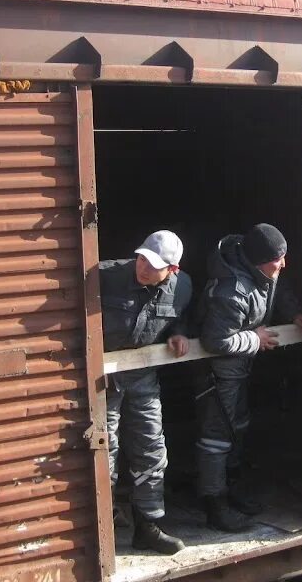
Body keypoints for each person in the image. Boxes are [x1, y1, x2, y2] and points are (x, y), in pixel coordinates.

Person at [194, 223, 302, 532]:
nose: (283, 264)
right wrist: (254, 340)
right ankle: (214, 504)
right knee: (216, 438)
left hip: (241, 367)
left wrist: (294, 313)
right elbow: (215, 341)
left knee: (238, 427)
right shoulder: (231, 292)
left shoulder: (264, 270)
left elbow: (277, 288)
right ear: (259, 259)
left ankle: (231, 488)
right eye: (278, 259)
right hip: (219, 373)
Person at [101, 230, 192, 555]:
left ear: (173, 269)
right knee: (102, 450)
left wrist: (179, 334)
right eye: (141, 258)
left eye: (153, 265)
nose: (143, 267)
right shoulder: (105, 276)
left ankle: (148, 527)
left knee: (151, 451)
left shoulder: (183, 287)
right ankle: (101, 529)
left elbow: (180, 316)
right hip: (103, 379)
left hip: (142, 375)